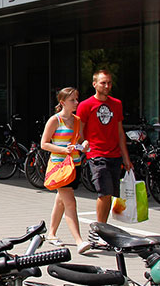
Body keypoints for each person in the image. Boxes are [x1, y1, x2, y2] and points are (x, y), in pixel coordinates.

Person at [77, 70, 133, 254]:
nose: (107, 86)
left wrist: (126, 157)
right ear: (94, 84)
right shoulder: (86, 105)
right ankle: (98, 232)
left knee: (111, 194)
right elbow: (80, 130)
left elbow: (119, 132)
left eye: (109, 83)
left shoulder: (116, 104)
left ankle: (102, 230)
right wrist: (85, 149)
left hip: (114, 154)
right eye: (103, 83)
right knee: (104, 192)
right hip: (96, 154)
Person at [40, 87, 89, 252]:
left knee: (60, 200)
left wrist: (84, 145)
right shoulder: (55, 120)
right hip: (60, 167)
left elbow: (81, 140)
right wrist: (63, 150)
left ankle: (51, 233)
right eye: (72, 100)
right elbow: (44, 144)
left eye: (77, 99)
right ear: (62, 103)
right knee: (70, 202)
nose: (76, 103)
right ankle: (79, 240)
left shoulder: (77, 120)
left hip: (74, 165)